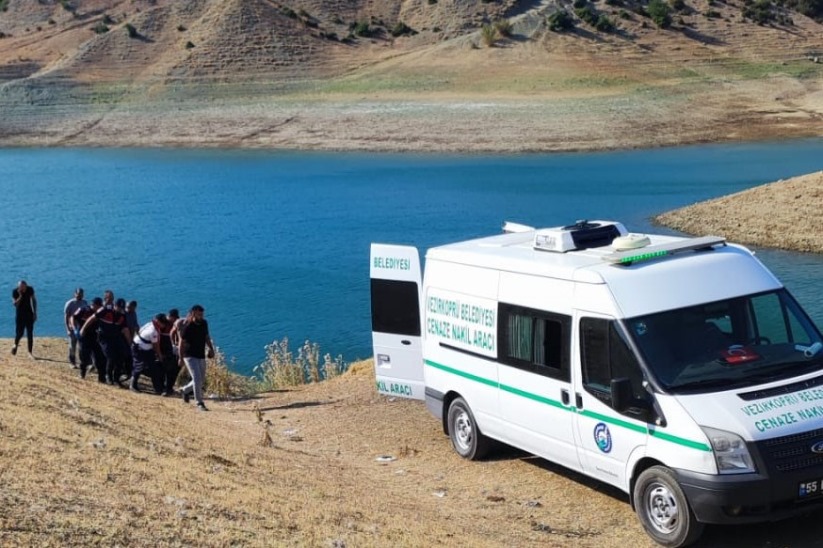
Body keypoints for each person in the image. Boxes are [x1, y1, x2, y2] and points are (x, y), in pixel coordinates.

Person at [81, 291, 130, 386]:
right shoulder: (105, 311)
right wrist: (83, 329)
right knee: (110, 357)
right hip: (104, 338)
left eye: (121, 308)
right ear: (114, 305)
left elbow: (125, 329)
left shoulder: (122, 316)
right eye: (118, 308)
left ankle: (116, 378)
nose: (120, 310)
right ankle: (109, 377)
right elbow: (92, 318)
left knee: (121, 356)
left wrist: (130, 342)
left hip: (115, 337)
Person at [178, 305, 215, 411]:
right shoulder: (187, 326)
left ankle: (184, 390)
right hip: (189, 355)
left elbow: (206, 336)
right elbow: (181, 342)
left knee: (201, 379)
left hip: (200, 354)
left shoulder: (204, 323)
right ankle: (199, 403)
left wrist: (211, 349)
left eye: (202, 314)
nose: (201, 316)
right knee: (197, 378)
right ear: (193, 313)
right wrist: (180, 358)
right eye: (199, 314)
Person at [130, 314, 168, 394]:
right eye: (163, 323)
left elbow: (140, 330)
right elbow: (156, 346)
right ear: (158, 321)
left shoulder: (150, 324)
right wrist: (159, 355)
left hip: (143, 347)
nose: (163, 325)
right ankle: (132, 384)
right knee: (139, 365)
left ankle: (158, 388)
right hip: (139, 348)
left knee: (153, 367)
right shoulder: (153, 331)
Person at [72, 297, 102, 380]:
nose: (99, 308)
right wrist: (74, 328)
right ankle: (82, 374)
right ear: (94, 305)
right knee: (84, 356)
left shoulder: (99, 313)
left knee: (99, 356)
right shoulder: (83, 310)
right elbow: (73, 317)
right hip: (84, 335)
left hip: (95, 336)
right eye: (98, 306)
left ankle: (101, 377)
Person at [11, 280, 37, 359]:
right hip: (20, 315)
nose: (21, 288)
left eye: (23, 287)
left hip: (29, 314)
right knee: (20, 333)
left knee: (30, 333)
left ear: (26, 286)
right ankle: (15, 345)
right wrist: (20, 296)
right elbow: (15, 304)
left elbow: (34, 300)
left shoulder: (30, 289)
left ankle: (30, 352)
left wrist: (35, 312)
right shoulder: (15, 291)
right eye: (20, 287)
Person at [64, 288, 87, 368]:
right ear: (75, 294)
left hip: (81, 327)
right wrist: (67, 329)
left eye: (81, 294)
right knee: (72, 346)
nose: (80, 296)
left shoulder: (84, 303)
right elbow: (66, 317)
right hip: (72, 327)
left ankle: (83, 362)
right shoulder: (70, 303)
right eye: (78, 294)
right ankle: (72, 362)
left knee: (82, 346)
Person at [160, 308, 181, 396]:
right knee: (165, 369)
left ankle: (169, 387)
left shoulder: (176, 324)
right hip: (164, 349)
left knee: (174, 369)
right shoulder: (164, 323)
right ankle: (165, 387)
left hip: (172, 349)